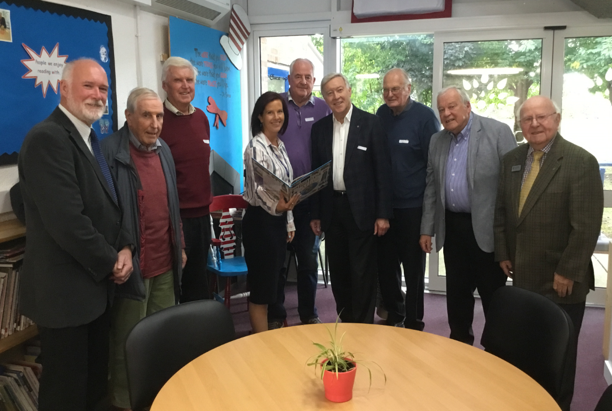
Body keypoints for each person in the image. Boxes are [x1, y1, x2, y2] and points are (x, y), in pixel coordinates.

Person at [17, 58, 133, 410]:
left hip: (93, 292)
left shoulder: (90, 137)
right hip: (65, 297)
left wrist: (126, 246)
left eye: (103, 88)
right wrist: (112, 261)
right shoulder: (47, 139)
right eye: (89, 86)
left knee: (94, 390)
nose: (98, 95)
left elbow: (110, 205)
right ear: (64, 88)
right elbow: (68, 223)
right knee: (66, 395)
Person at [494, 95, 603, 410]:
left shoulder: (580, 161)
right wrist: (503, 251)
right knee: (527, 350)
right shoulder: (512, 160)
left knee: (559, 358)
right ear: (520, 124)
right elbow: (502, 212)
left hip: (560, 280)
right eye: (527, 119)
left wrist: (568, 270)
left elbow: (586, 226)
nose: (535, 124)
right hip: (524, 276)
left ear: (557, 118)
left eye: (541, 117)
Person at [101, 88, 186, 410]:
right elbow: (103, 213)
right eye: (147, 116)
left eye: (159, 116)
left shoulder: (164, 151)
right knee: (129, 343)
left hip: (166, 264)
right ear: (128, 116)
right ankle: (125, 403)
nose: (155, 123)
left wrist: (180, 244)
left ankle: (159, 399)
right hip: (132, 270)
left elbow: (172, 204)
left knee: (162, 339)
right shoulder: (108, 153)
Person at [419, 86, 516, 345]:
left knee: (493, 297)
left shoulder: (497, 132)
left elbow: (512, 188)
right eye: (441, 109)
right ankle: (459, 346)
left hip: (488, 230)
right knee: (457, 297)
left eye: (452, 106)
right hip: (453, 229)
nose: (447, 113)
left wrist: (508, 239)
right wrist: (427, 228)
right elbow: (431, 187)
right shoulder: (437, 141)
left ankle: (497, 350)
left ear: (467, 106)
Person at [310, 73, 392, 324]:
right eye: (329, 93)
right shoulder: (319, 129)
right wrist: (315, 214)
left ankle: (363, 326)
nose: (336, 97)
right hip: (332, 210)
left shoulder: (371, 123)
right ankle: (346, 321)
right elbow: (317, 175)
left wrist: (383, 214)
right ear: (324, 98)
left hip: (362, 211)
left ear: (349, 90)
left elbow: (383, 172)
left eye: (339, 90)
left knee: (362, 272)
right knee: (339, 271)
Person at [267, 58, 331, 329]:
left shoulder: (324, 108)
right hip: (279, 199)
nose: (303, 81)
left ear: (313, 80)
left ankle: (308, 313)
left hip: (310, 199)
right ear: (289, 79)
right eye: (298, 76)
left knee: (307, 260)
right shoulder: (277, 105)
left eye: (308, 77)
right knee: (278, 262)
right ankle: (276, 314)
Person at [376, 68, 440, 329]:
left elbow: (432, 167)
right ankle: (395, 312)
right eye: (386, 90)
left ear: (408, 89)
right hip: (385, 208)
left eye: (396, 89)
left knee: (413, 270)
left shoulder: (425, 117)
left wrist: (428, 219)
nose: (390, 94)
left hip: (413, 208)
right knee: (386, 266)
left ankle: (414, 321)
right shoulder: (381, 115)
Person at [243, 91, 299, 333]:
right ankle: (259, 342)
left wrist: (289, 222)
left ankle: (268, 339)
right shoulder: (256, 147)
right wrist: (277, 207)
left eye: (280, 112)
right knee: (262, 289)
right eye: (270, 112)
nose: (276, 117)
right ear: (260, 117)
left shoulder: (279, 145)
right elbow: (258, 189)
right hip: (260, 223)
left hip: (277, 221)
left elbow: (286, 188)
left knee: (275, 283)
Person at [159, 56, 213, 303]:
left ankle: (198, 329)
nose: (185, 86)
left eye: (189, 80)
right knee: (171, 288)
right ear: (165, 85)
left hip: (202, 216)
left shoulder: (201, 117)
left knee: (199, 284)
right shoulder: (157, 120)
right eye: (178, 80)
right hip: (173, 219)